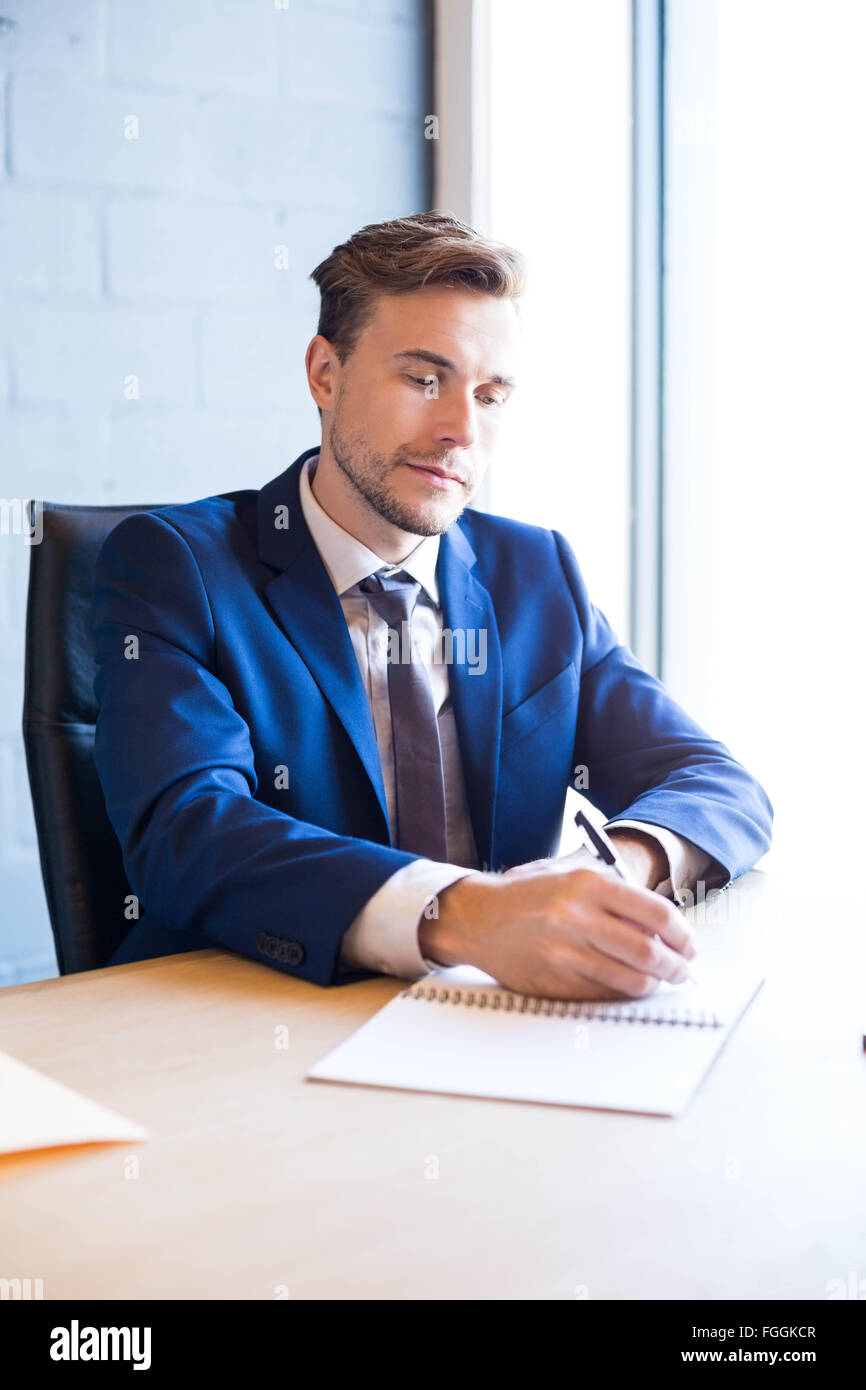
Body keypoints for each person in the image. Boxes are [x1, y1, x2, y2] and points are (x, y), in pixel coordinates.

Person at [92, 211, 772, 1000]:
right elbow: (188, 832)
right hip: (247, 1012)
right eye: (423, 379)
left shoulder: (536, 572)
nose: (460, 430)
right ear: (325, 373)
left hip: (487, 1017)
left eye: (490, 395)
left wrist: (614, 870)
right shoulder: (178, 566)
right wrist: (469, 915)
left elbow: (716, 784)